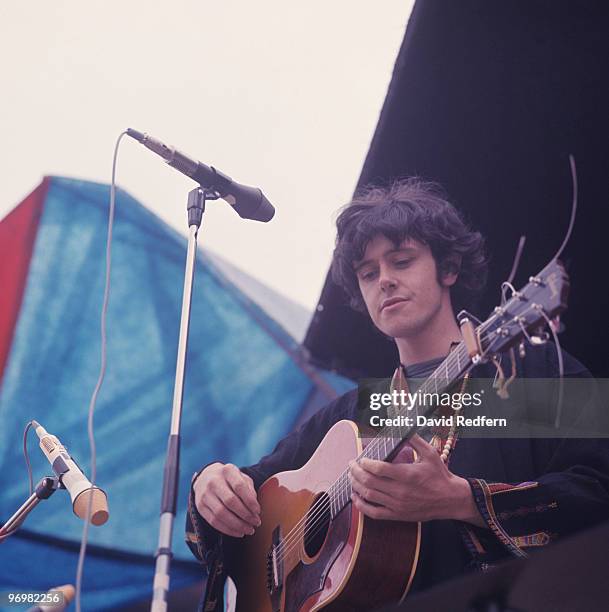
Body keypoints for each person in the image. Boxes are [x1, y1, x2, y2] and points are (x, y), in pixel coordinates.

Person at [185, 178, 609, 610]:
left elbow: (598, 490)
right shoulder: (351, 415)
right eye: (368, 274)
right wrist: (210, 484)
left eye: (402, 261)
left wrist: (463, 500)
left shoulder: (524, 375)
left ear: (448, 269)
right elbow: (248, 500)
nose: (384, 280)